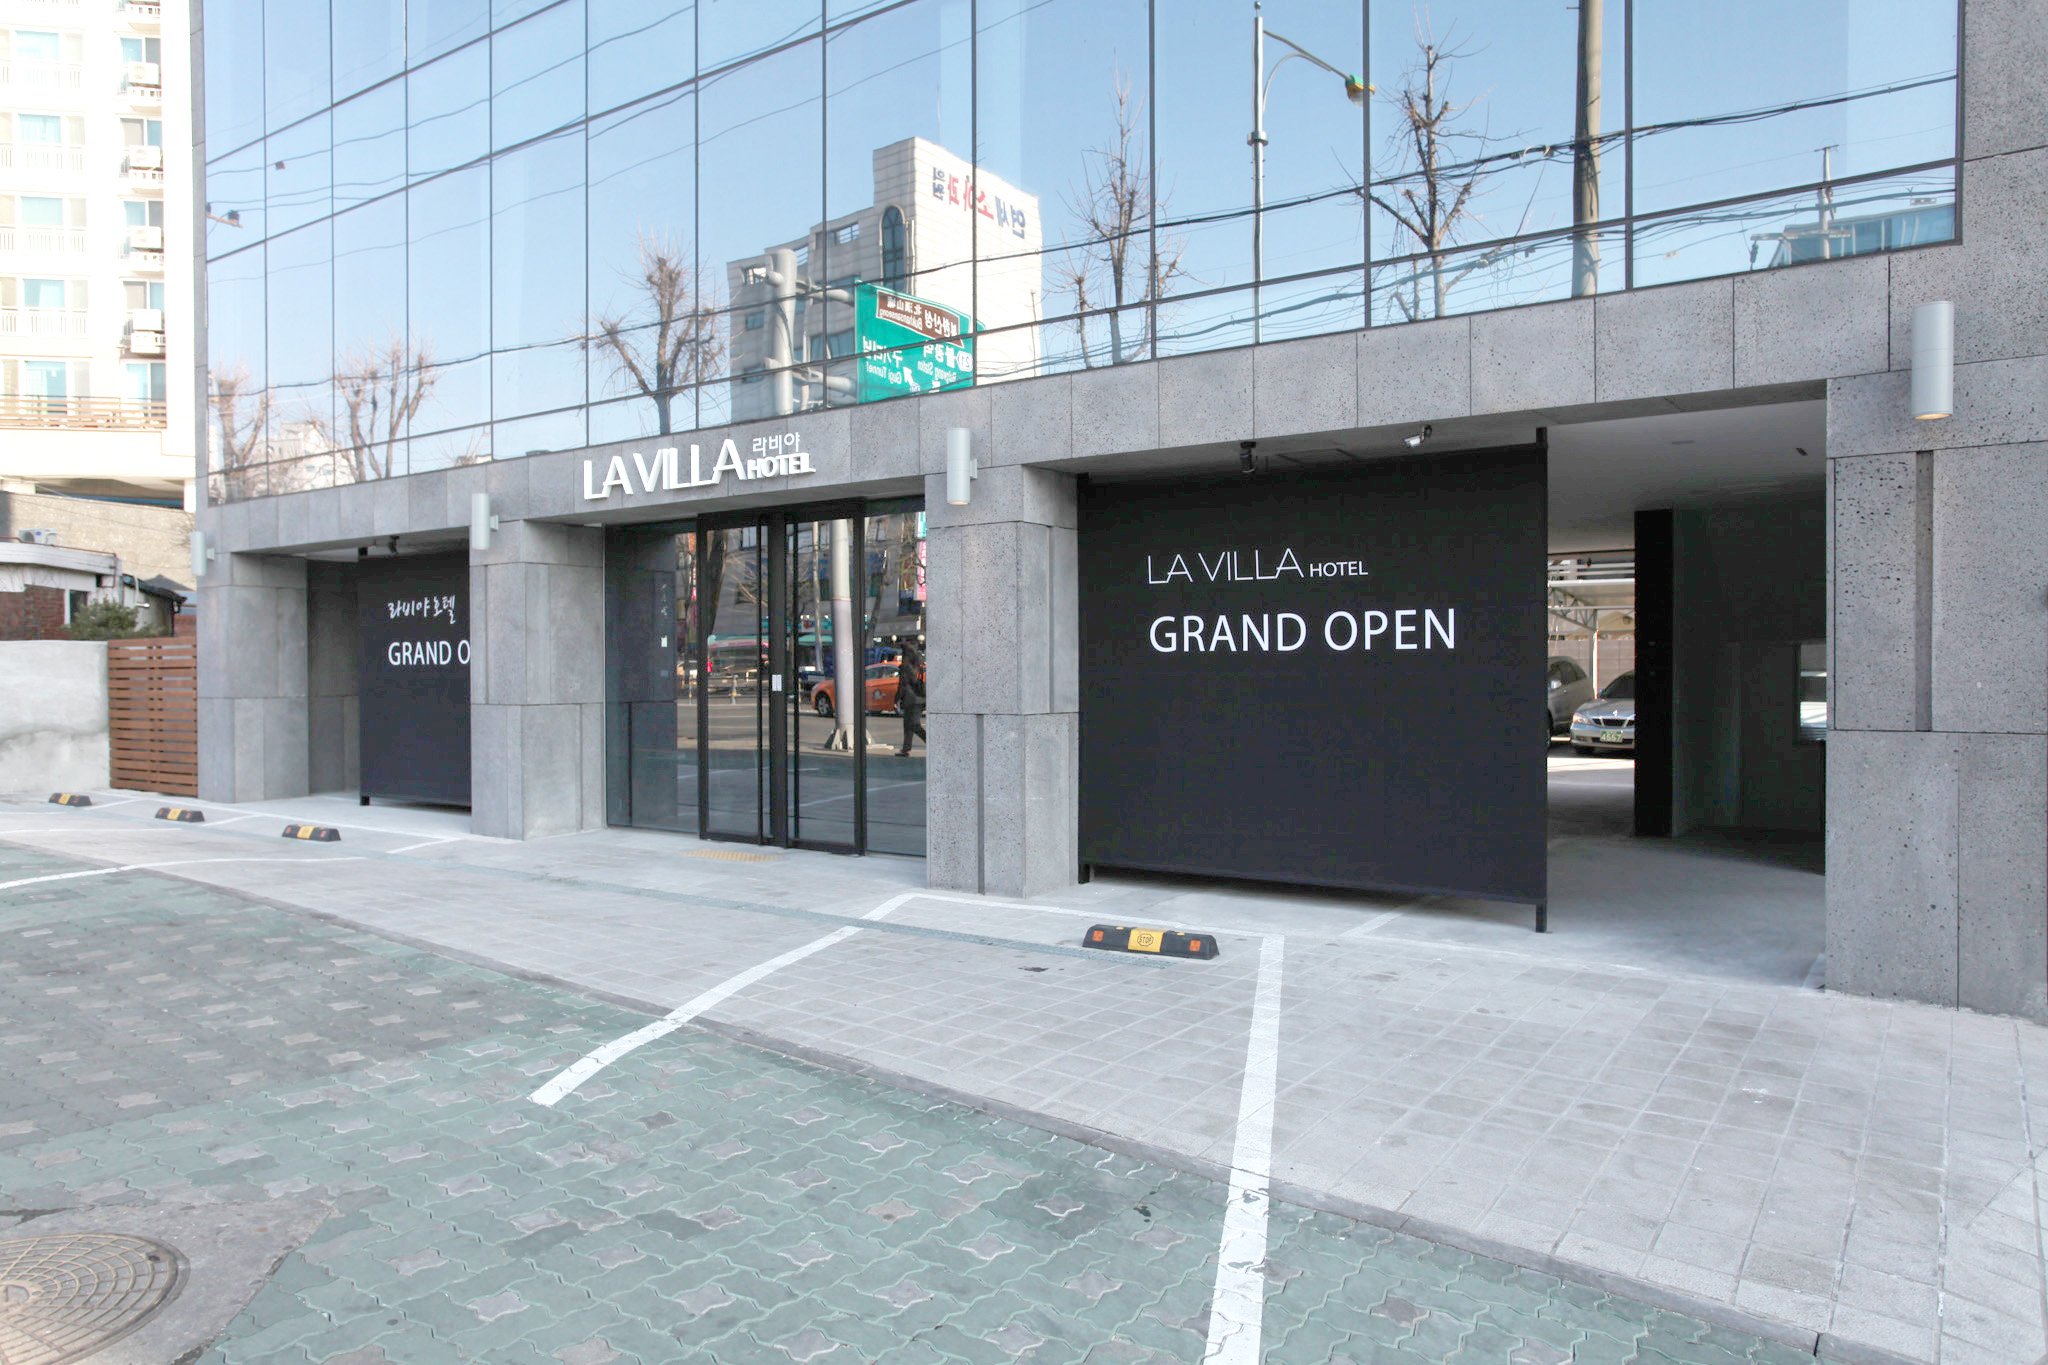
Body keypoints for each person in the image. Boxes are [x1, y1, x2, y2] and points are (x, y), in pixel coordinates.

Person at [896, 640, 926, 757]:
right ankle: (906, 749)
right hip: (920, 698)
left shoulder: (905, 666)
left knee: (913, 725)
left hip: (911, 699)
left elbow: (903, 684)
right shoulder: (918, 663)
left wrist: (897, 698)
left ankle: (932, 743)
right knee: (909, 725)